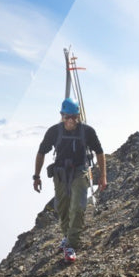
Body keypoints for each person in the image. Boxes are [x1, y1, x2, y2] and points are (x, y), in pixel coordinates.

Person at [32, 98, 107, 258]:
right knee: (62, 207)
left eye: (74, 117)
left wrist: (103, 176)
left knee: (78, 207)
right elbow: (41, 152)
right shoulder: (54, 131)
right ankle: (67, 237)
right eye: (67, 117)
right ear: (61, 115)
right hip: (60, 174)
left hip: (80, 172)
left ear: (78, 115)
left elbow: (100, 152)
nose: (71, 121)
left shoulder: (87, 132)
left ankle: (72, 244)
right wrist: (36, 176)